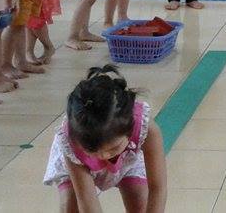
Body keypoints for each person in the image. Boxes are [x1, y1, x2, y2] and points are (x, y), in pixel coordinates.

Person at [44, 65, 167, 212]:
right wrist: (95, 150)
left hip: (128, 156)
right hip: (80, 160)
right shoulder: (72, 143)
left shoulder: (147, 129)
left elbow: (157, 188)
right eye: (94, 150)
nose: (104, 156)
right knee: (70, 206)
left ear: (129, 130)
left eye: (113, 148)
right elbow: (87, 203)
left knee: (141, 203)